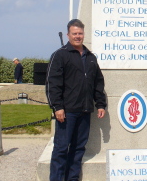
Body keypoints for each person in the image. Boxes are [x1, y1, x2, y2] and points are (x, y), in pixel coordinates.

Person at [46, 19, 106, 181]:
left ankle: (72, 178)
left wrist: (100, 103)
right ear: (68, 35)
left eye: (80, 33)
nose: (78, 36)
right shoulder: (60, 55)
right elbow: (53, 84)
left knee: (78, 149)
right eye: (74, 34)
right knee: (61, 149)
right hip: (67, 112)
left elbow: (98, 83)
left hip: (85, 110)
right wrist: (57, 107)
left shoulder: (91, 57)